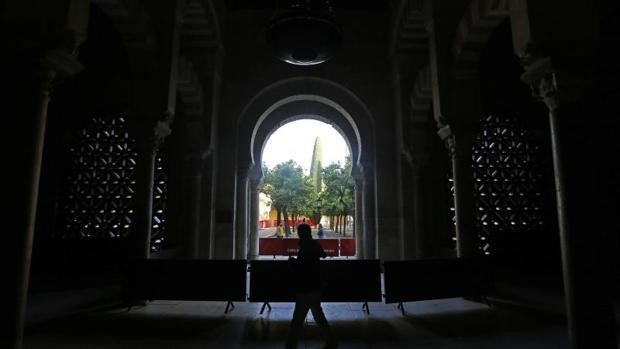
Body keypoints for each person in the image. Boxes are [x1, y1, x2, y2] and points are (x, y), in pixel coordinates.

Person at [285, 223, 337, 349]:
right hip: (315, 285)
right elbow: (323, 255)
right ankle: (331, 341)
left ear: (301, 234)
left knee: (297, 319)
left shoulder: (304, 246)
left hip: (305, 286)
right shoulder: (313, 244)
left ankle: (291, 345)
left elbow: (302, 266)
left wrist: (293, 262)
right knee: (318, 316)